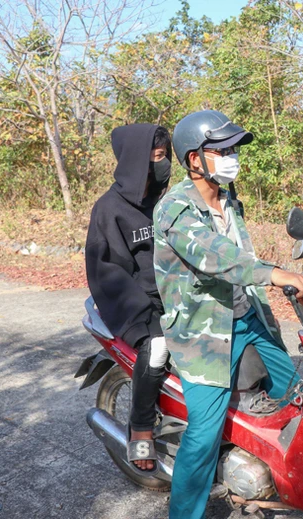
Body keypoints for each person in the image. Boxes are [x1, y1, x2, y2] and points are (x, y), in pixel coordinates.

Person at [153, 110, 303, 519]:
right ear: (195, 159)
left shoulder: (230, 200)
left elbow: (240, 258)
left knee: (296, 395)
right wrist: (274, 272)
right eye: (222, 149)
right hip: (204, 334)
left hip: (246, 319)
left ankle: (282, 477)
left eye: (233, 148)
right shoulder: (174, 210)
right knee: (204, 435)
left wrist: (282, 280)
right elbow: (217, 257)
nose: (232, 156)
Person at [85, 124, 173, 472]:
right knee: (158, 350)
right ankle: (141, 429)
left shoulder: (167, 203)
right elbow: (105, 272)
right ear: (134, 161)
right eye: (155, 158)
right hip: (135, 302)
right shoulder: (108, 209)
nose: (162, 164)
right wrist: (141, 311)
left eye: (165, 157)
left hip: (176, 295)